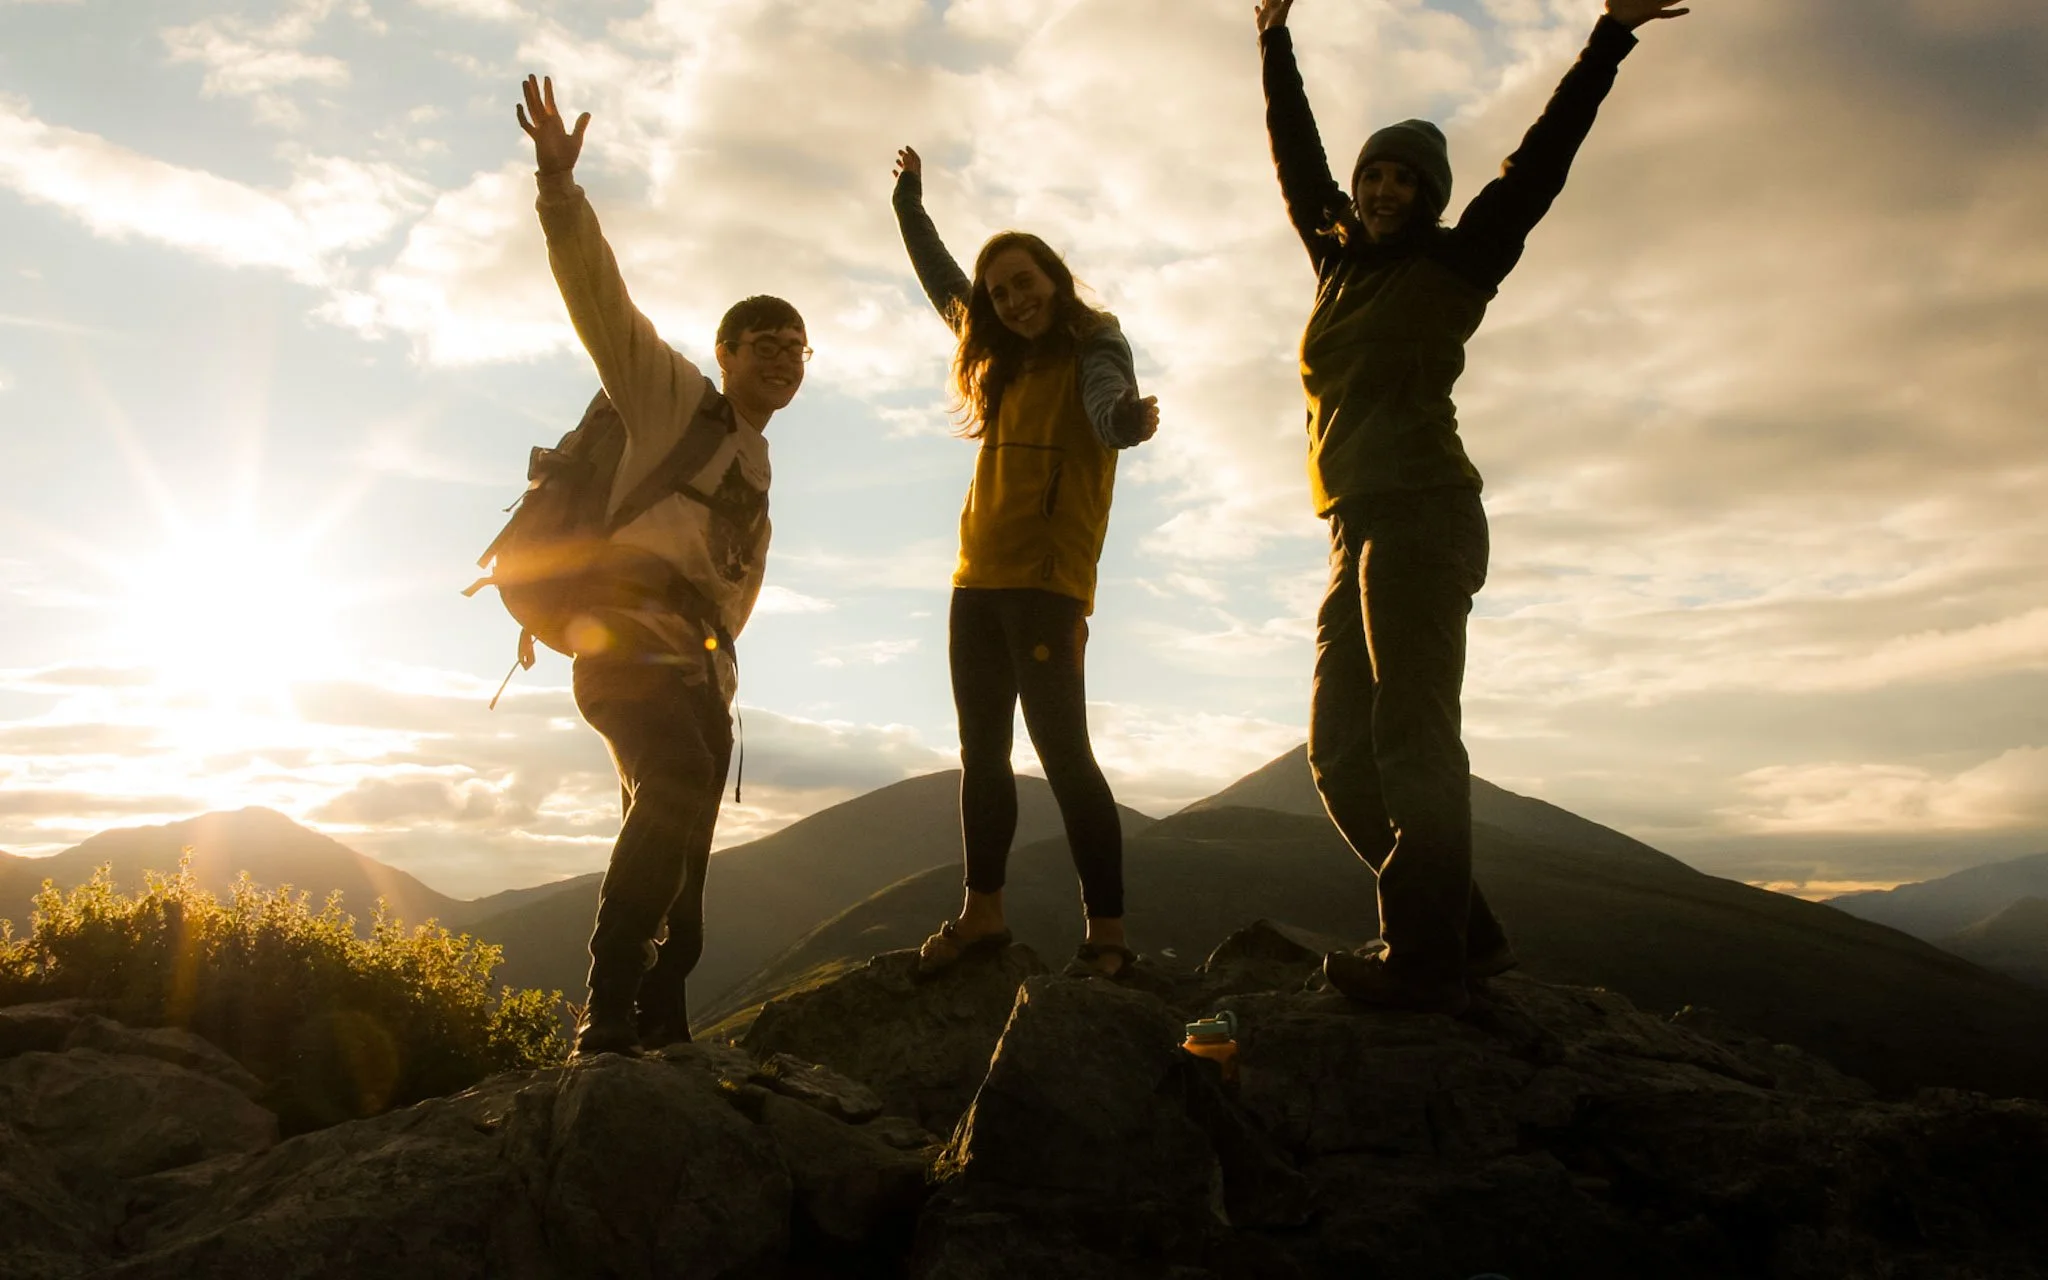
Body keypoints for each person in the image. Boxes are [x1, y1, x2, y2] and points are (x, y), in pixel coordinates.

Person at [1254, 0, 1691, 1013]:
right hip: (1350, 525)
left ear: (1431, 197)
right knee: (1338, 757)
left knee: (1412, 742)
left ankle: (1423, 963)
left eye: (1405, 178)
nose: (1383, 189)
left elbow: (1536, 167)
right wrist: (1273, 39)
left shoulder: (1458, 260)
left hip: (1423, 512)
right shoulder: (1337, 263)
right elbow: (1296, 160)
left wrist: (1608, 40)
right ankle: (1467, 934)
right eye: (1374, 173)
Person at [517, 75, 810, 1056]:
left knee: (686, 851)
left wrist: (718, 668)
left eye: (798, 348)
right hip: (620, 644)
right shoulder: (670, 397)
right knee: (675, 784)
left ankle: (662, 1024)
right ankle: (604, 1008)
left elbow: (728, 584)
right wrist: (559, 189)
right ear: (724, 352)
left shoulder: (757, 459)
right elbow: (599, 299)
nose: (784, 358)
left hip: (701, 673)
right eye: (765, 343)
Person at [889, 145, 1159, 981]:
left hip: (1047, 586)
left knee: (1065, 756)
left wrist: (1123, 422)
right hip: (976, 580)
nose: (1012, 300)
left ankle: (1108, 934)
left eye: (1023, 283)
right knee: (982, 755)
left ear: (1054, 277)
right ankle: (984, 915)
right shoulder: (995, 351)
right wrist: (908, 205)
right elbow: (944, 284)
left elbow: (1106, 403)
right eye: (1000, 292)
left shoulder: (1095, 343)